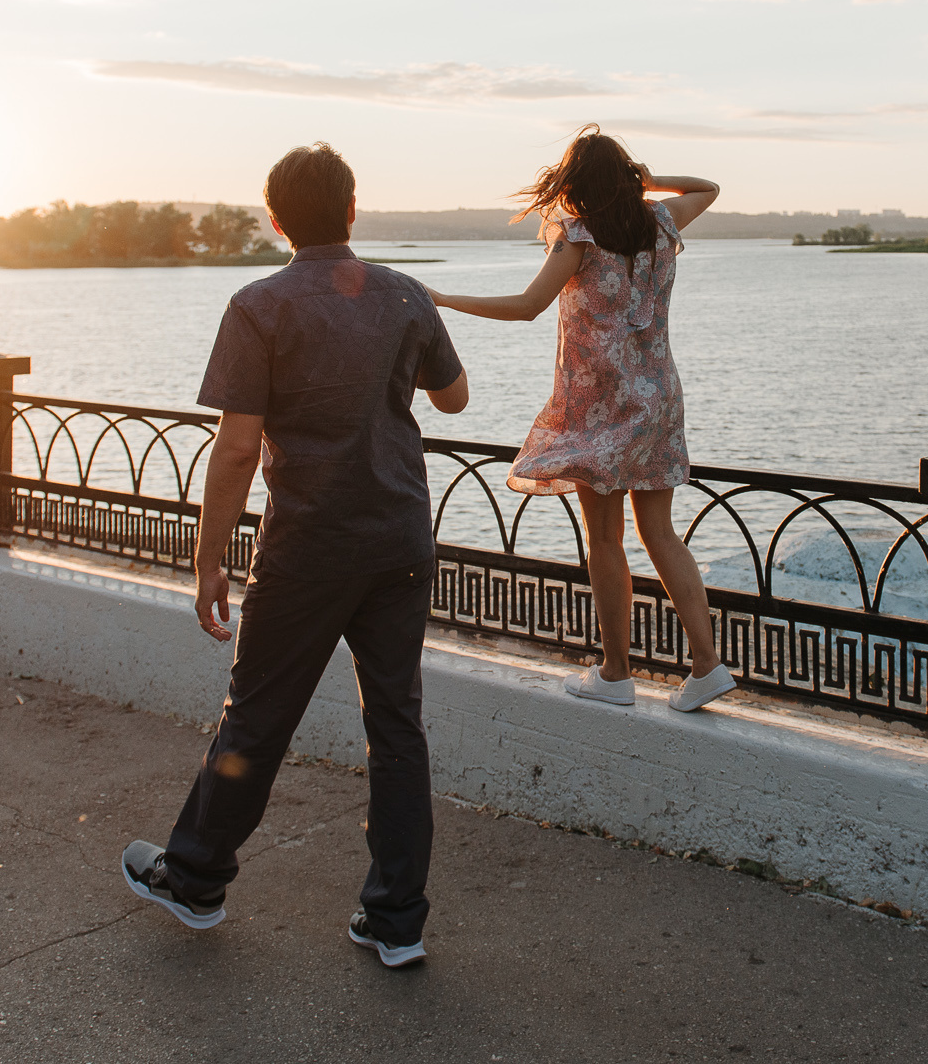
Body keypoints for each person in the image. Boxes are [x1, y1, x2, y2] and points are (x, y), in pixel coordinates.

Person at [122, 142, 469, 970]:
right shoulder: (405, 293)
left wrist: (210, 557)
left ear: (275, 218)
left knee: (259, 715)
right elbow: (454, 397)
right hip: (399, 540)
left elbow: (237, 448)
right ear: (352, 209)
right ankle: (396, 920)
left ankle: (197, 878)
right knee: (397, 726)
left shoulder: (259, 305)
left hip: (309, 546)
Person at [429, 125, 733, 713]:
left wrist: (442, 300)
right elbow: (708, 186)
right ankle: (707, 664)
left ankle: (616, 674)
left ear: (574, 185)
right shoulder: (661, 224)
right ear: (625, 178)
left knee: (604, 537)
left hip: (600, 404)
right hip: (657, 399)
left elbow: (525, 308)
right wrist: (646, 183)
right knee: (660, 532)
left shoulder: (578, 237)